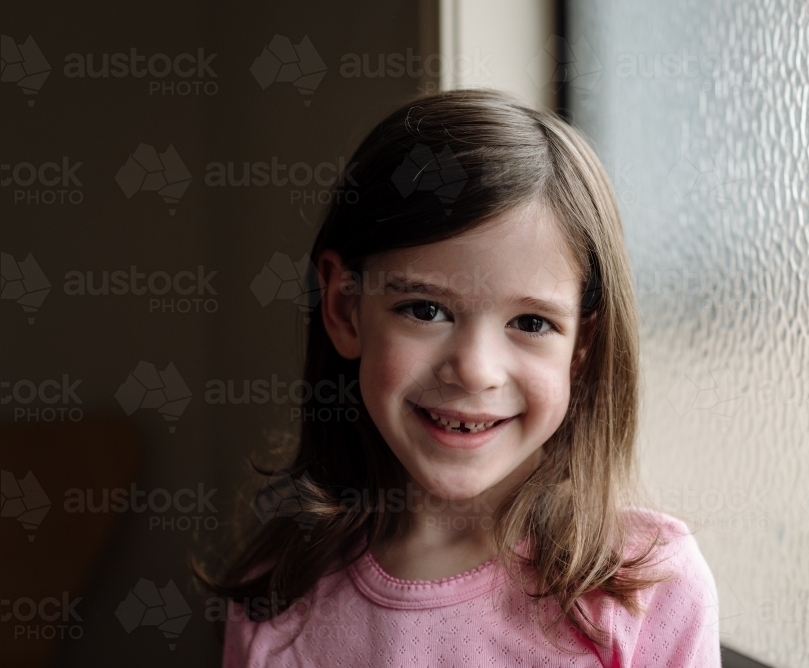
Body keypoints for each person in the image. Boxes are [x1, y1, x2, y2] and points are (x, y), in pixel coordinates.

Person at [200, 88, 720, 667]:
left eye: (531, 322)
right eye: (425, 309)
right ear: (345, 309)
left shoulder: (647, 591)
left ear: (582, 347)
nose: (475, 369)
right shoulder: (275, 599)